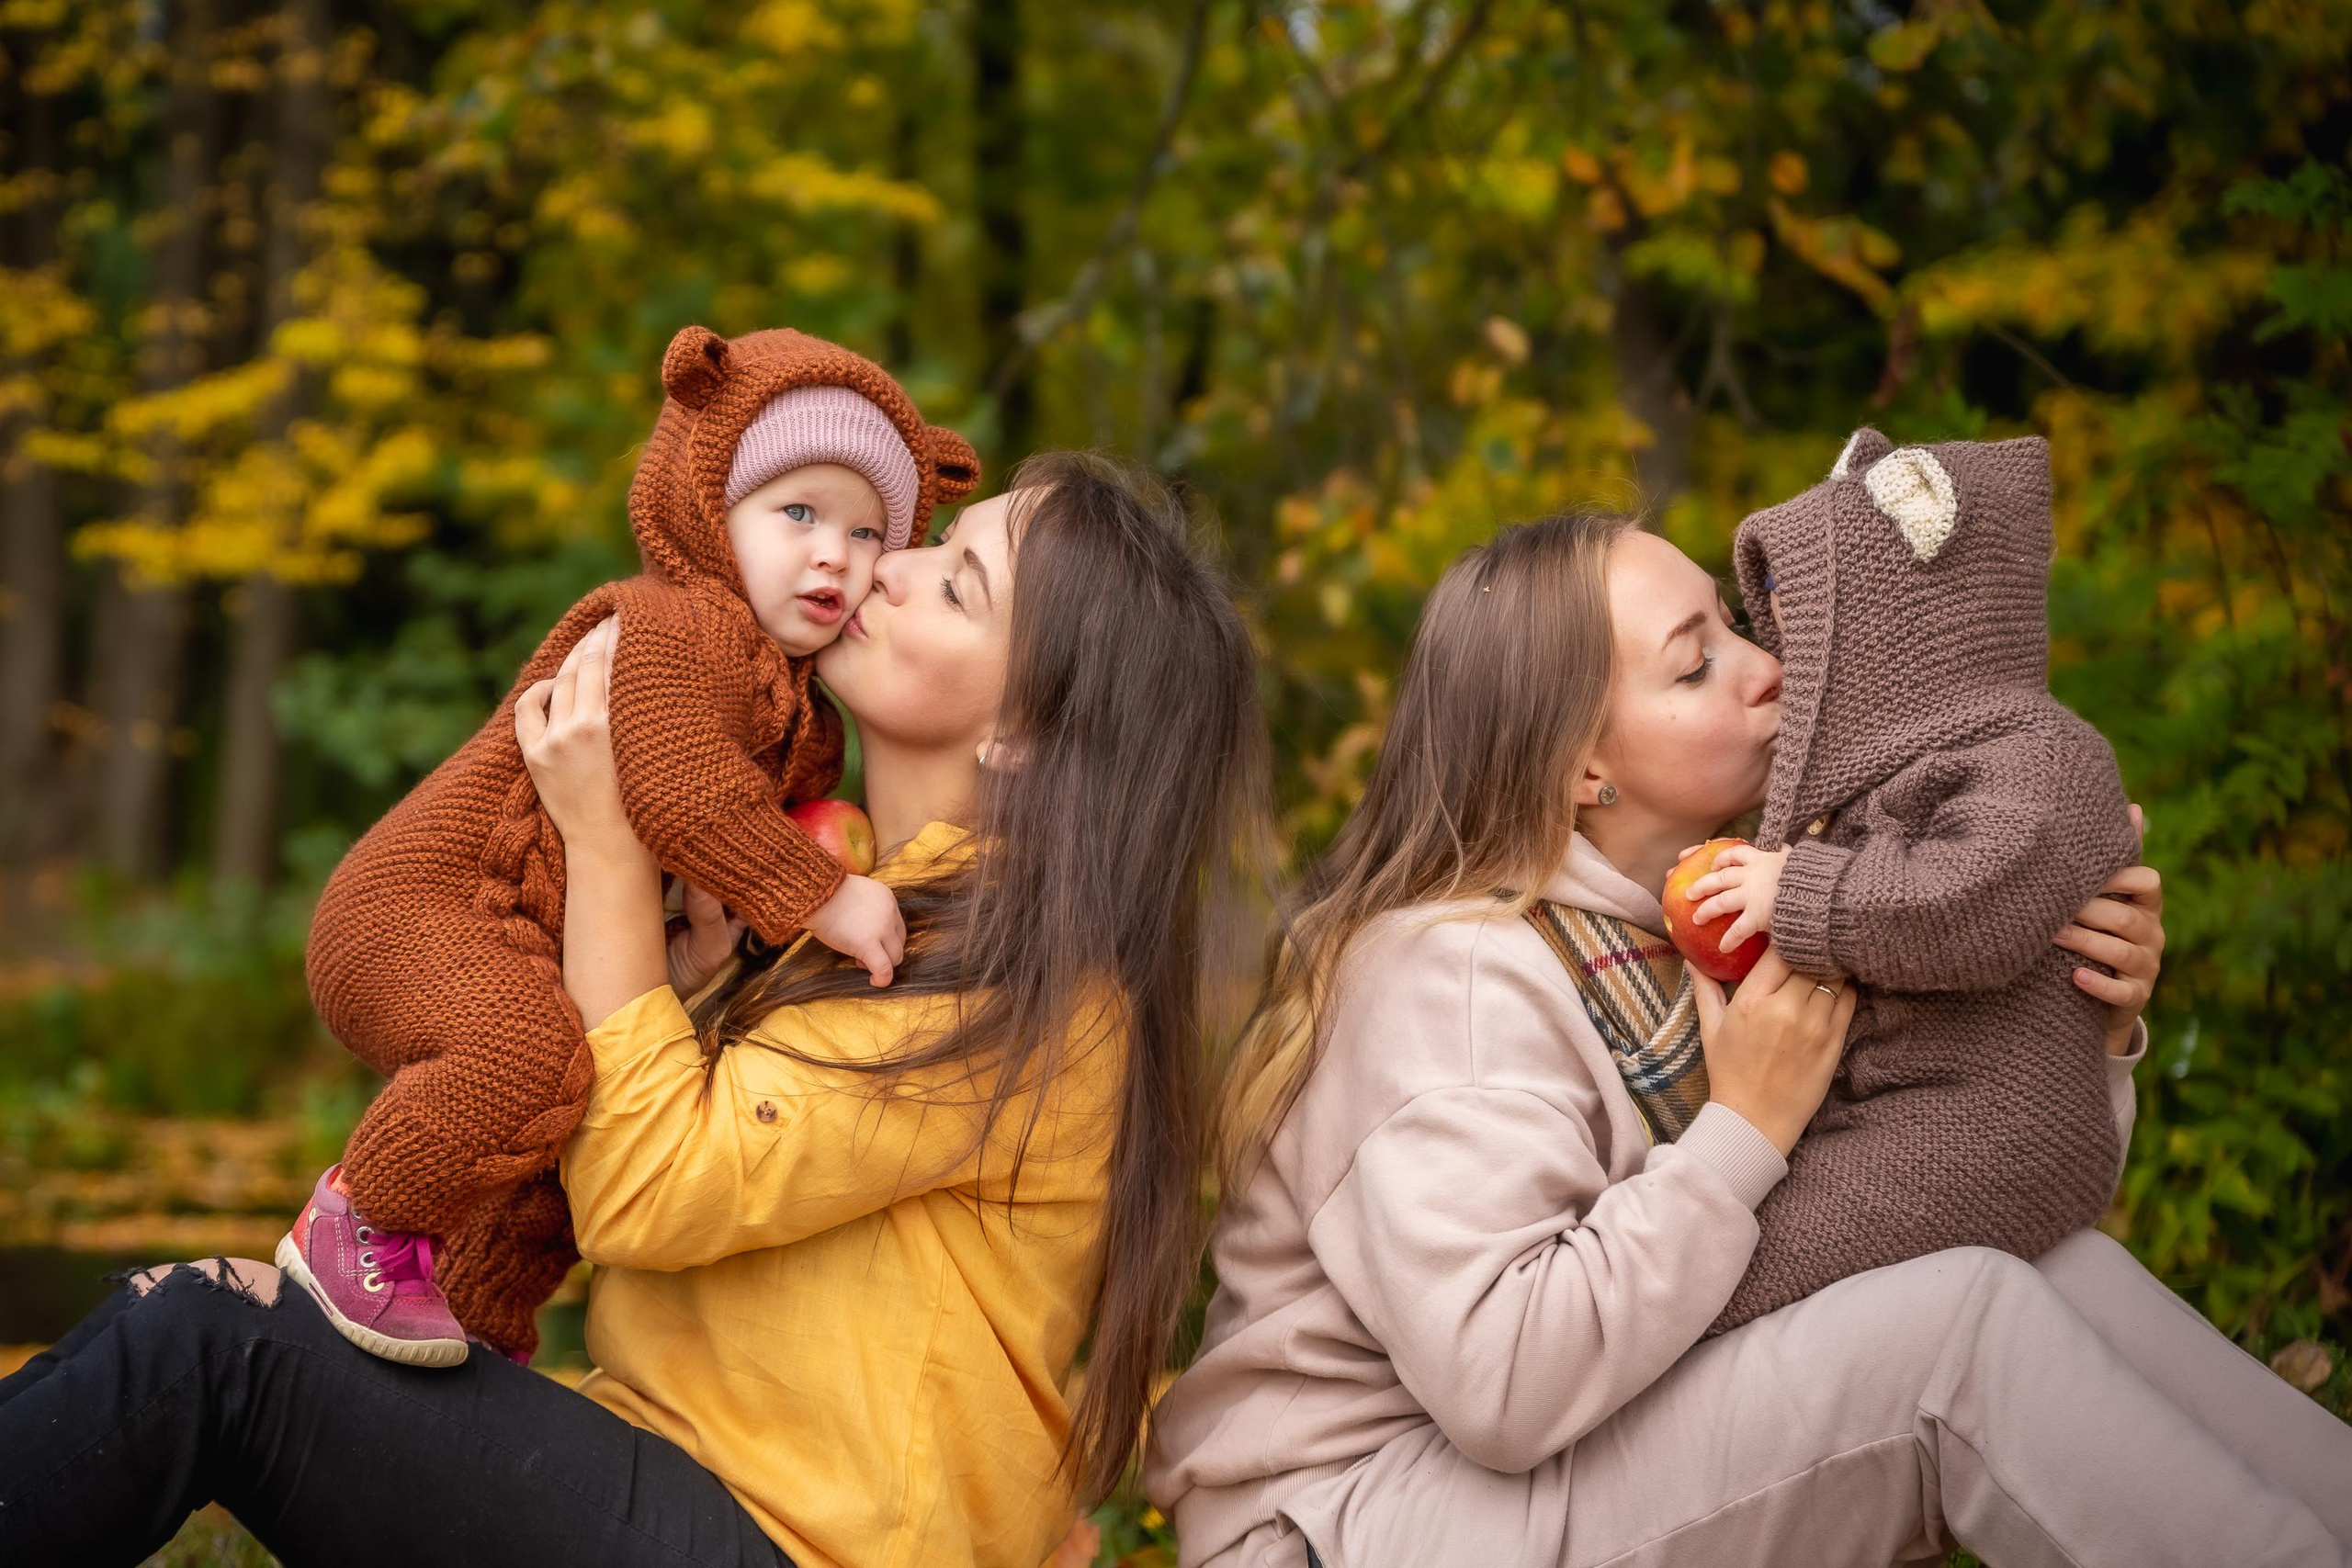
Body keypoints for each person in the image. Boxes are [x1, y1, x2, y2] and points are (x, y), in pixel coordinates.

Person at [0, 452, 1269, 1568]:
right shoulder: (860, 886)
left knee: (213, 1343)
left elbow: (648, 1191)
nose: (890, 564)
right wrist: (681, 973)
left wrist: (606, 841)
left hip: (791, 1539)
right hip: (677, 1465)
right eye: (935, 541)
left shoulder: (1023, 992)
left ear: (1029, 733)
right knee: (212, 1328)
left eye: (959, 585)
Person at [1145, 512, 2352, 1567]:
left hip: (1528, 1471)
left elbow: (1956, 1183)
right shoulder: (1452, 969)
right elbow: (1503, 1380)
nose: (1765, 667)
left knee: (2050, 1270)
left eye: (1731, 623)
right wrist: (1748, 1125)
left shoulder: (1732, 910)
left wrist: (2086, 1007)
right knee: (1957, 1329)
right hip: (1353, 1518)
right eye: (1694, 664)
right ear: (1582, 769)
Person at [294, 324, 979, 1362]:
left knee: (565, 1119)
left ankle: (475, 1323)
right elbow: (678, 795)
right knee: (520, 1055)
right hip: (422, 908)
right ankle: (359, 1217)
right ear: (711, 508)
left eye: (869, 531)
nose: (833, 554)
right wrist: (824, 896)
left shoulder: (802, 711)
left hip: (519, 937)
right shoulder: (675, 623)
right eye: (796, 512)